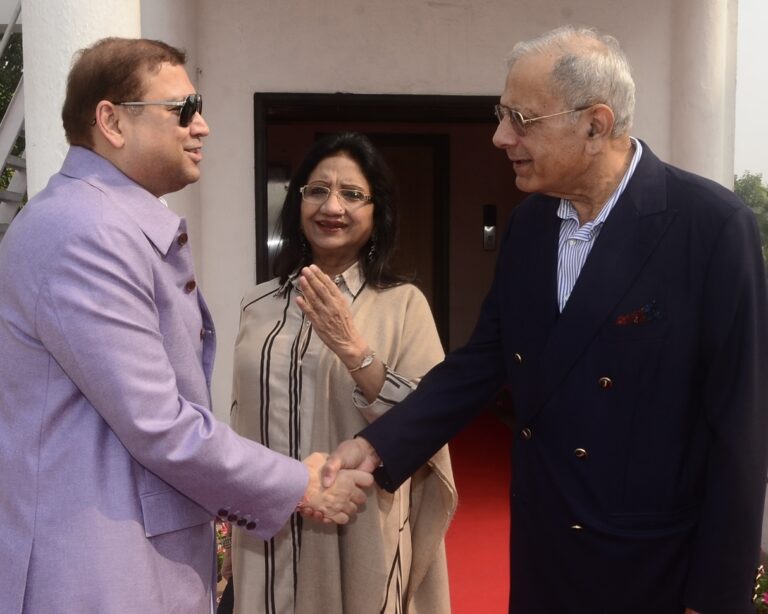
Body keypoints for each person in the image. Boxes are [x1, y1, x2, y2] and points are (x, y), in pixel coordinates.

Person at [322, 25, 768, 614]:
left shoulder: (709, 226)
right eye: (500, 114)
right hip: (544, 547)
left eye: (521, 119)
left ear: (596, 123)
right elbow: (481, 364)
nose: (501, 137)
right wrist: (377, 447)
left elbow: (741, 428)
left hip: (652, 565)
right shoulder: (530, 226)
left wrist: (716, 598)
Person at [0, 38, 372, 614]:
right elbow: (159, 423)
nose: (202, 126)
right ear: (112, 121)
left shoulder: (98, 220)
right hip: (95, 570)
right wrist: (299, 484)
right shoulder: (88, 233)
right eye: (183, 110)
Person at [228, 132, 456, 614]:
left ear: (377, 214)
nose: (332, 206)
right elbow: (239, 421)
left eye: (353, 194)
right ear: (297, 203)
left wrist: (354, 349)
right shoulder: (257, 305)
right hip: (267, 527)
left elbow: (427, 423)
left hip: (358, 529)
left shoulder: (403, 306)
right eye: (317, 190)